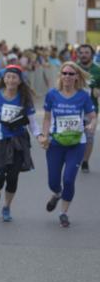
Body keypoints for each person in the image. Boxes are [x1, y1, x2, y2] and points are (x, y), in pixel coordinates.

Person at [0, 65, 42, 222]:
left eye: (14, 77)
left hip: (18, 140)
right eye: (8, 76)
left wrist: (39, 136)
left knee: (13, 177)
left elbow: (32, 122)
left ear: (20, 80)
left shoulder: (24, 98)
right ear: (4, 79)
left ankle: (7, 207)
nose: (10, 80)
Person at [41, 62, 96, 227]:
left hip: (77, 143)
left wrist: (92, 125)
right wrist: (44, 136)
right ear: (60, 75)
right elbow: (47, 118)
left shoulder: (83, 96)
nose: (67, 76)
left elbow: (93, 116)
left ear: (77, 77)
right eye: (64, 73)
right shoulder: (52, 94)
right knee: (53, 182)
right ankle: (57, 193)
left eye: (71, 74)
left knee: (69, 179)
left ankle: (63, 213)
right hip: (55, 143)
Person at [75, 44, 100, 172]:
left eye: (86, 52)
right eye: (81, 52)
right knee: (74, 135)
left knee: (89, 136)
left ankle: (85, 161)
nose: (84, 55)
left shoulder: (97, 69)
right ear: (78, 54)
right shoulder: (73, 68)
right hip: (74, 108)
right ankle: (74, 159)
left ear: (92, 54)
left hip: (91, 109)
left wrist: (98, 89)